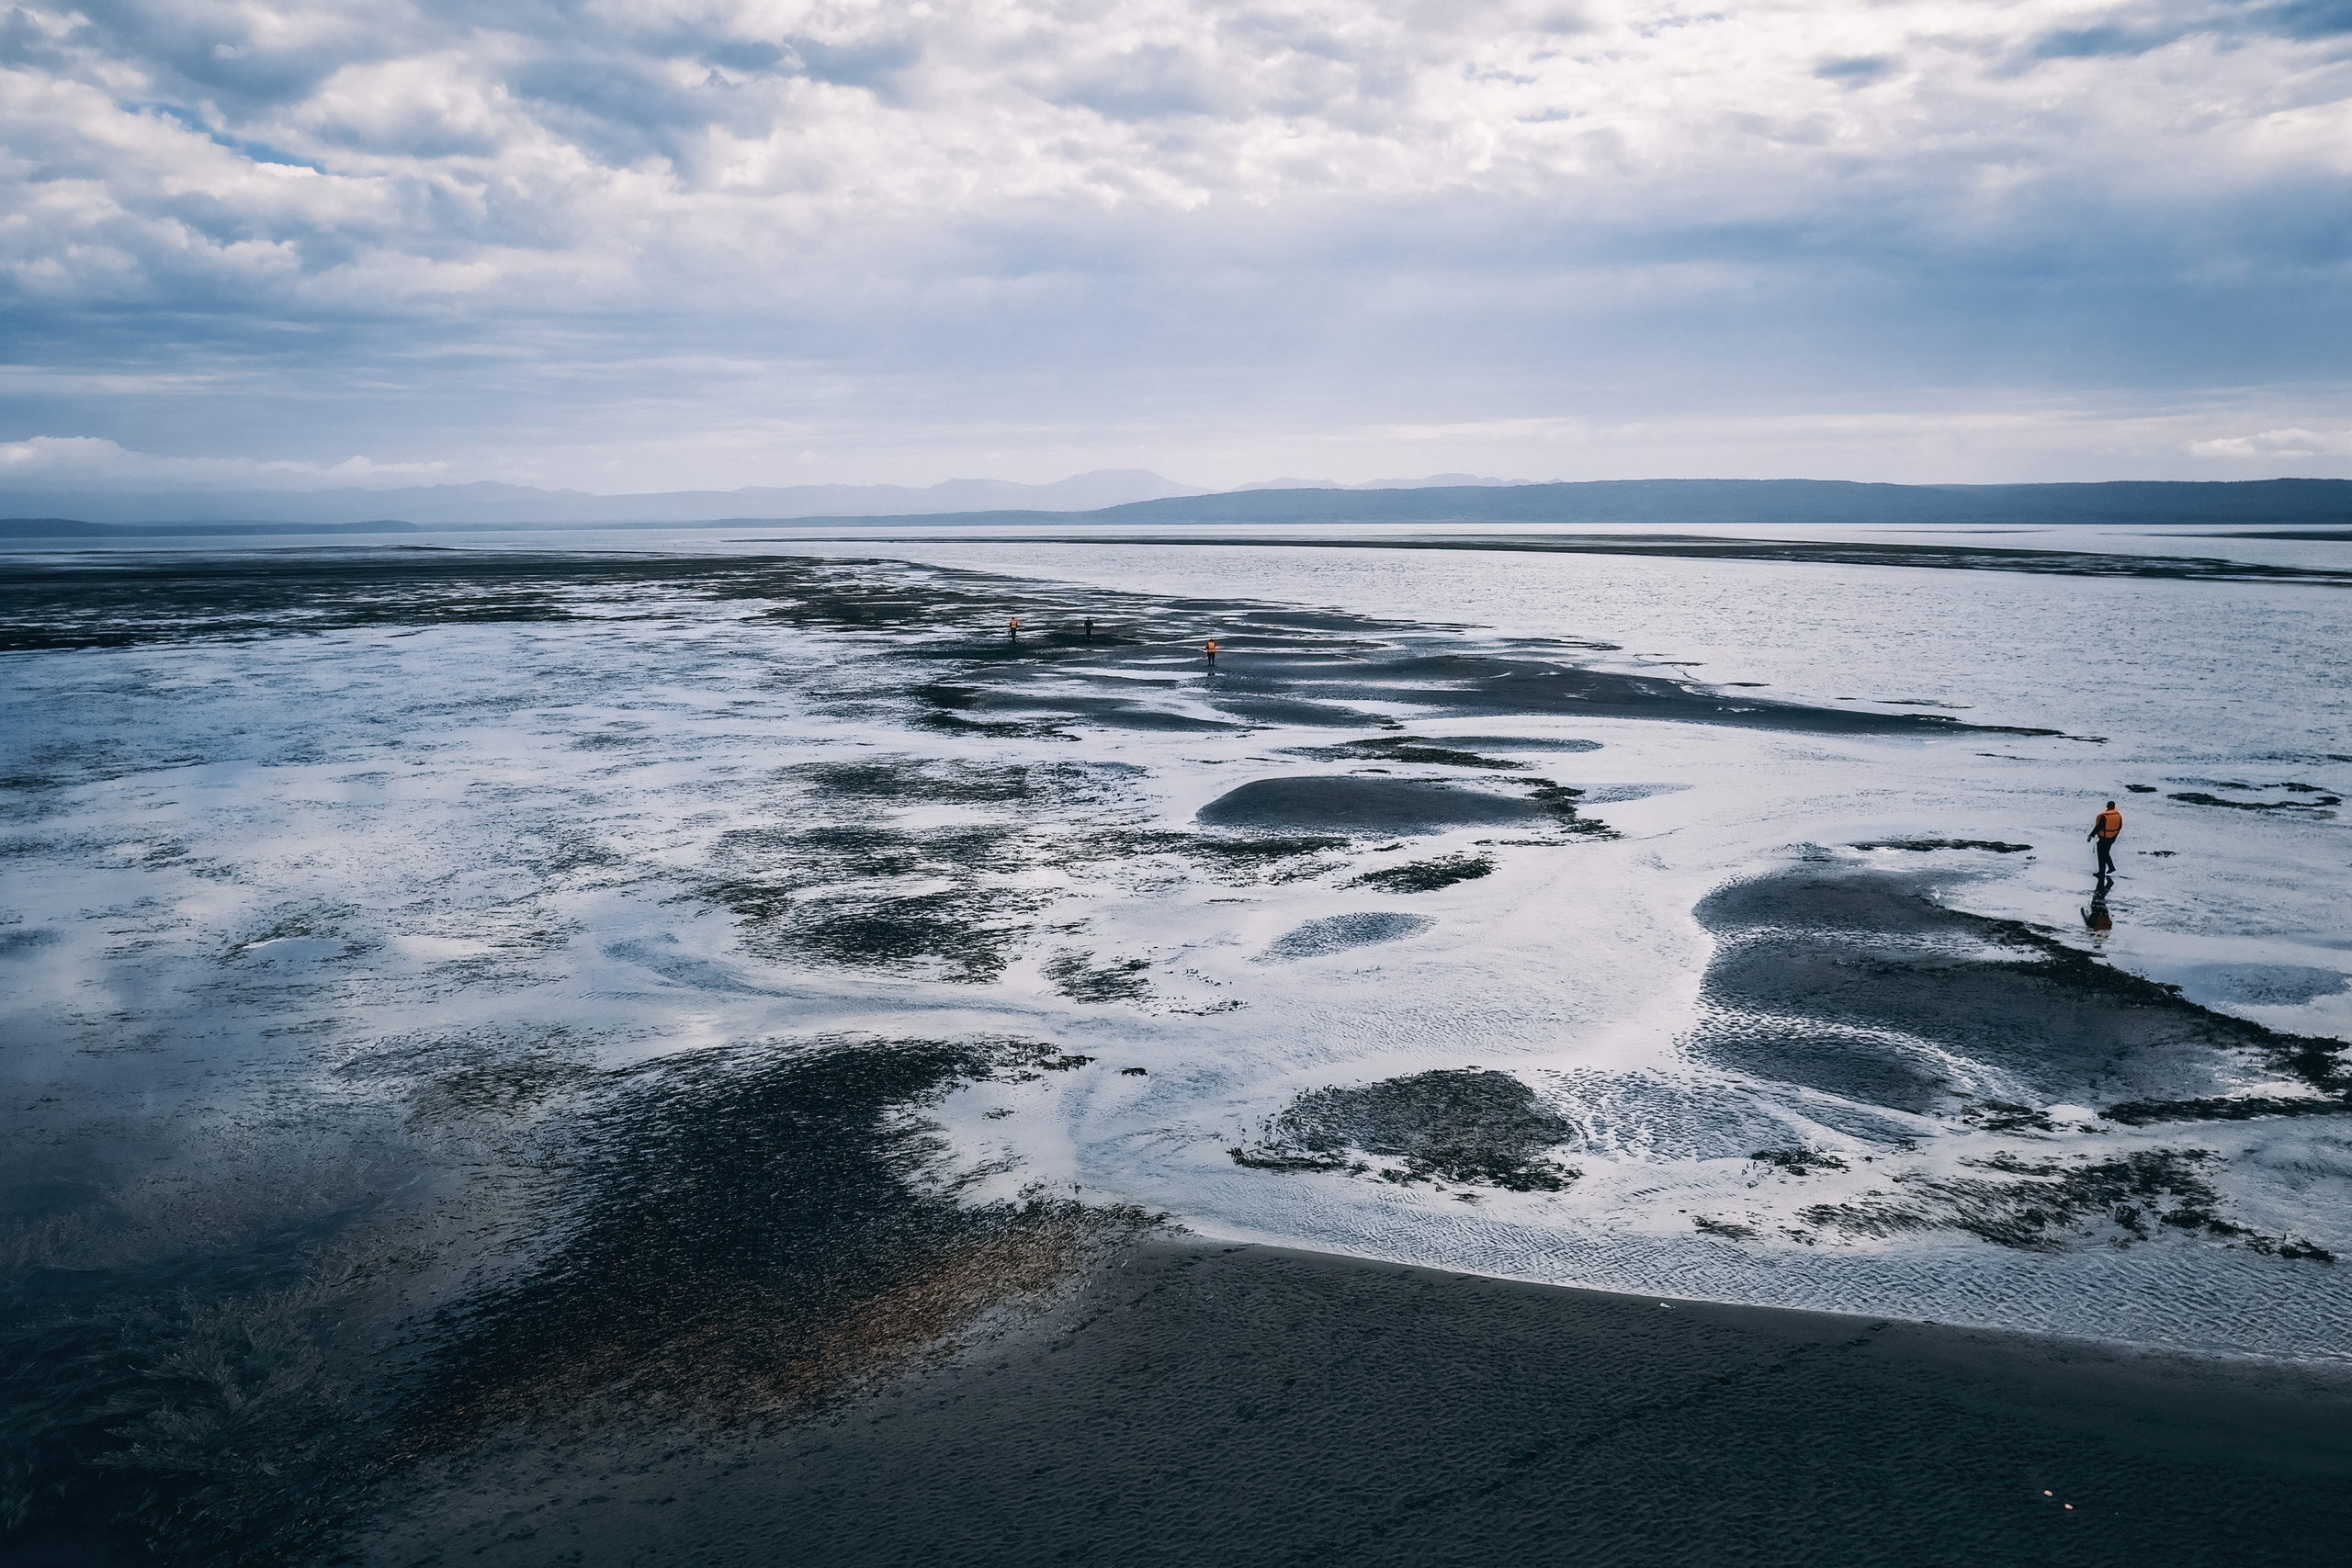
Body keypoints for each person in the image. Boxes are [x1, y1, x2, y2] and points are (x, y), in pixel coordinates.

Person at [2087, 799, 2122, 876]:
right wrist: (2115, 835)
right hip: (2112, 838)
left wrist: (2091, 835)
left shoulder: (2105, 816)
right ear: (2114, 807)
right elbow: (2120, 827)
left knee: (2101, 855)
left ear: (2107, 806)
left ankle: (2102, 872)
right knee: (2106, 853)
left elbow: (2098, 827)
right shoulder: (2118, 815)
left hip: (2104, 838)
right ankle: (2110, 868)